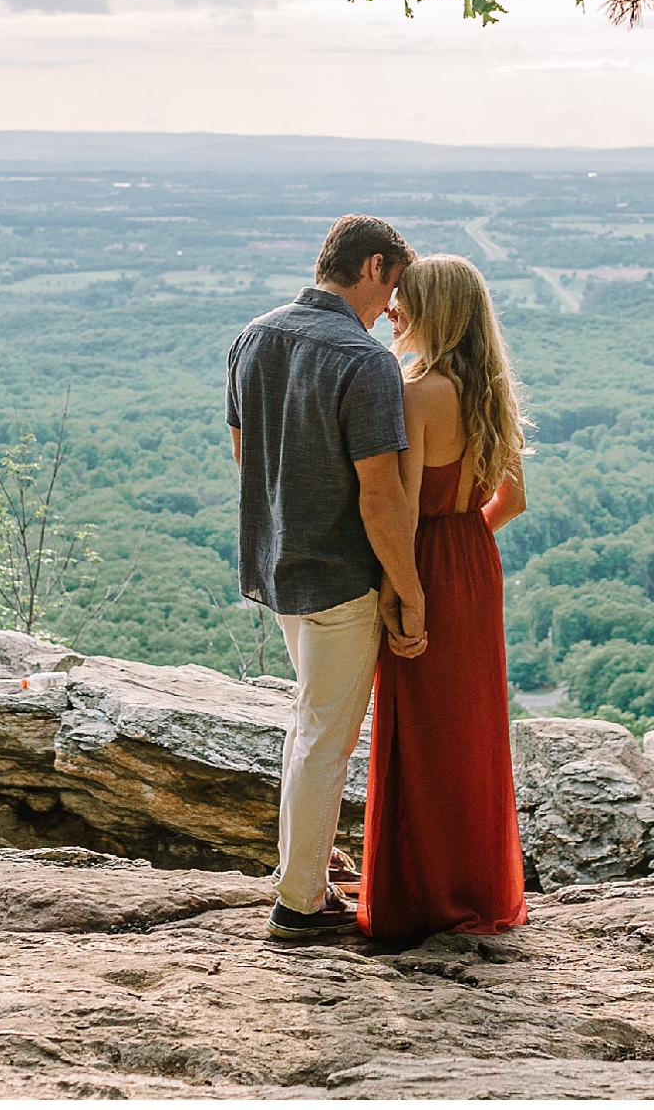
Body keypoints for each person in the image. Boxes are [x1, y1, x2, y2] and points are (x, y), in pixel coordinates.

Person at [226, 213, 427, 942]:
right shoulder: (364, 361)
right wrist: (408, 590)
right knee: (324, 736)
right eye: (393, 286)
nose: (393, 308)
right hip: (343, 577)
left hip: (279, 564)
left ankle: (300, 870)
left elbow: (246, 451)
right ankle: (299, 902)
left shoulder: (254, 336)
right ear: (372, 266)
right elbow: (380, 497)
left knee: (310, 723)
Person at [358, 253, 529, 942]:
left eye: (406, 301)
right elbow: (512, 500)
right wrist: (463, 540)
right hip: (473, 561)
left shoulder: (416, 392)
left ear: (435, 312)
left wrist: (412, 585)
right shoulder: (491, 392)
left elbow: (396, 506)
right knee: (472, 730)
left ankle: (420, 895)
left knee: (420, 732)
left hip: (424, 560)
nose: (394, 311)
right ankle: (476, 884)